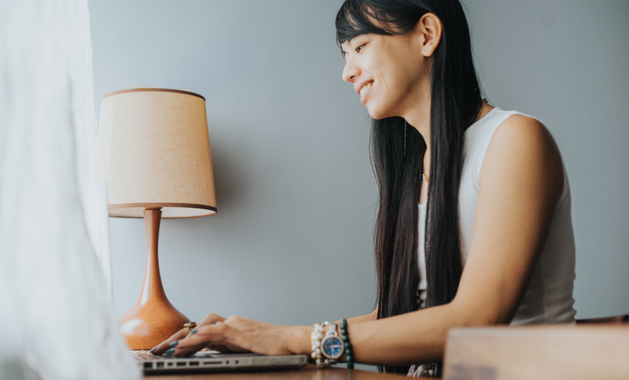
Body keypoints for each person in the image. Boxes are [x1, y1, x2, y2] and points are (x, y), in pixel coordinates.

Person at [151, 0, 576, 376]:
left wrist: (296, 340)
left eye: (360, 47)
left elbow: (476, 318)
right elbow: (397, 315)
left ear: (426, 35)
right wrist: (257, 336)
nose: (346, 71)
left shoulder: (515, 139)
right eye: (345, 53)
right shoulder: (417, 167)